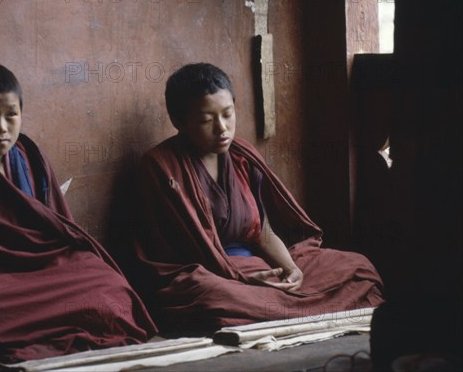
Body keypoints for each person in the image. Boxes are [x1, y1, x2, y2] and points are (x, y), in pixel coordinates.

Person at [131, 63, 384, 332]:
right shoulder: (161, 165)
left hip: (256, 267)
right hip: (207, 272)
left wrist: (290, 269)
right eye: (207, 121)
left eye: (228, 115)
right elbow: (182, 250)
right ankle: (290, 307)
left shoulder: (241, 154)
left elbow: (261, 230)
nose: (222, 128)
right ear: (178, 122)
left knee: (356, 267)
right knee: (214, 299)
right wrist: (242, 277)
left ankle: (282, 305)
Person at [0, 62, 156, 364]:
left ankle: (47, 325)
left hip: (46, 268)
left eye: (11, 114)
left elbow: (59, 227)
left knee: (108, 284)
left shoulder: (29, 156)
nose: (1, 128)